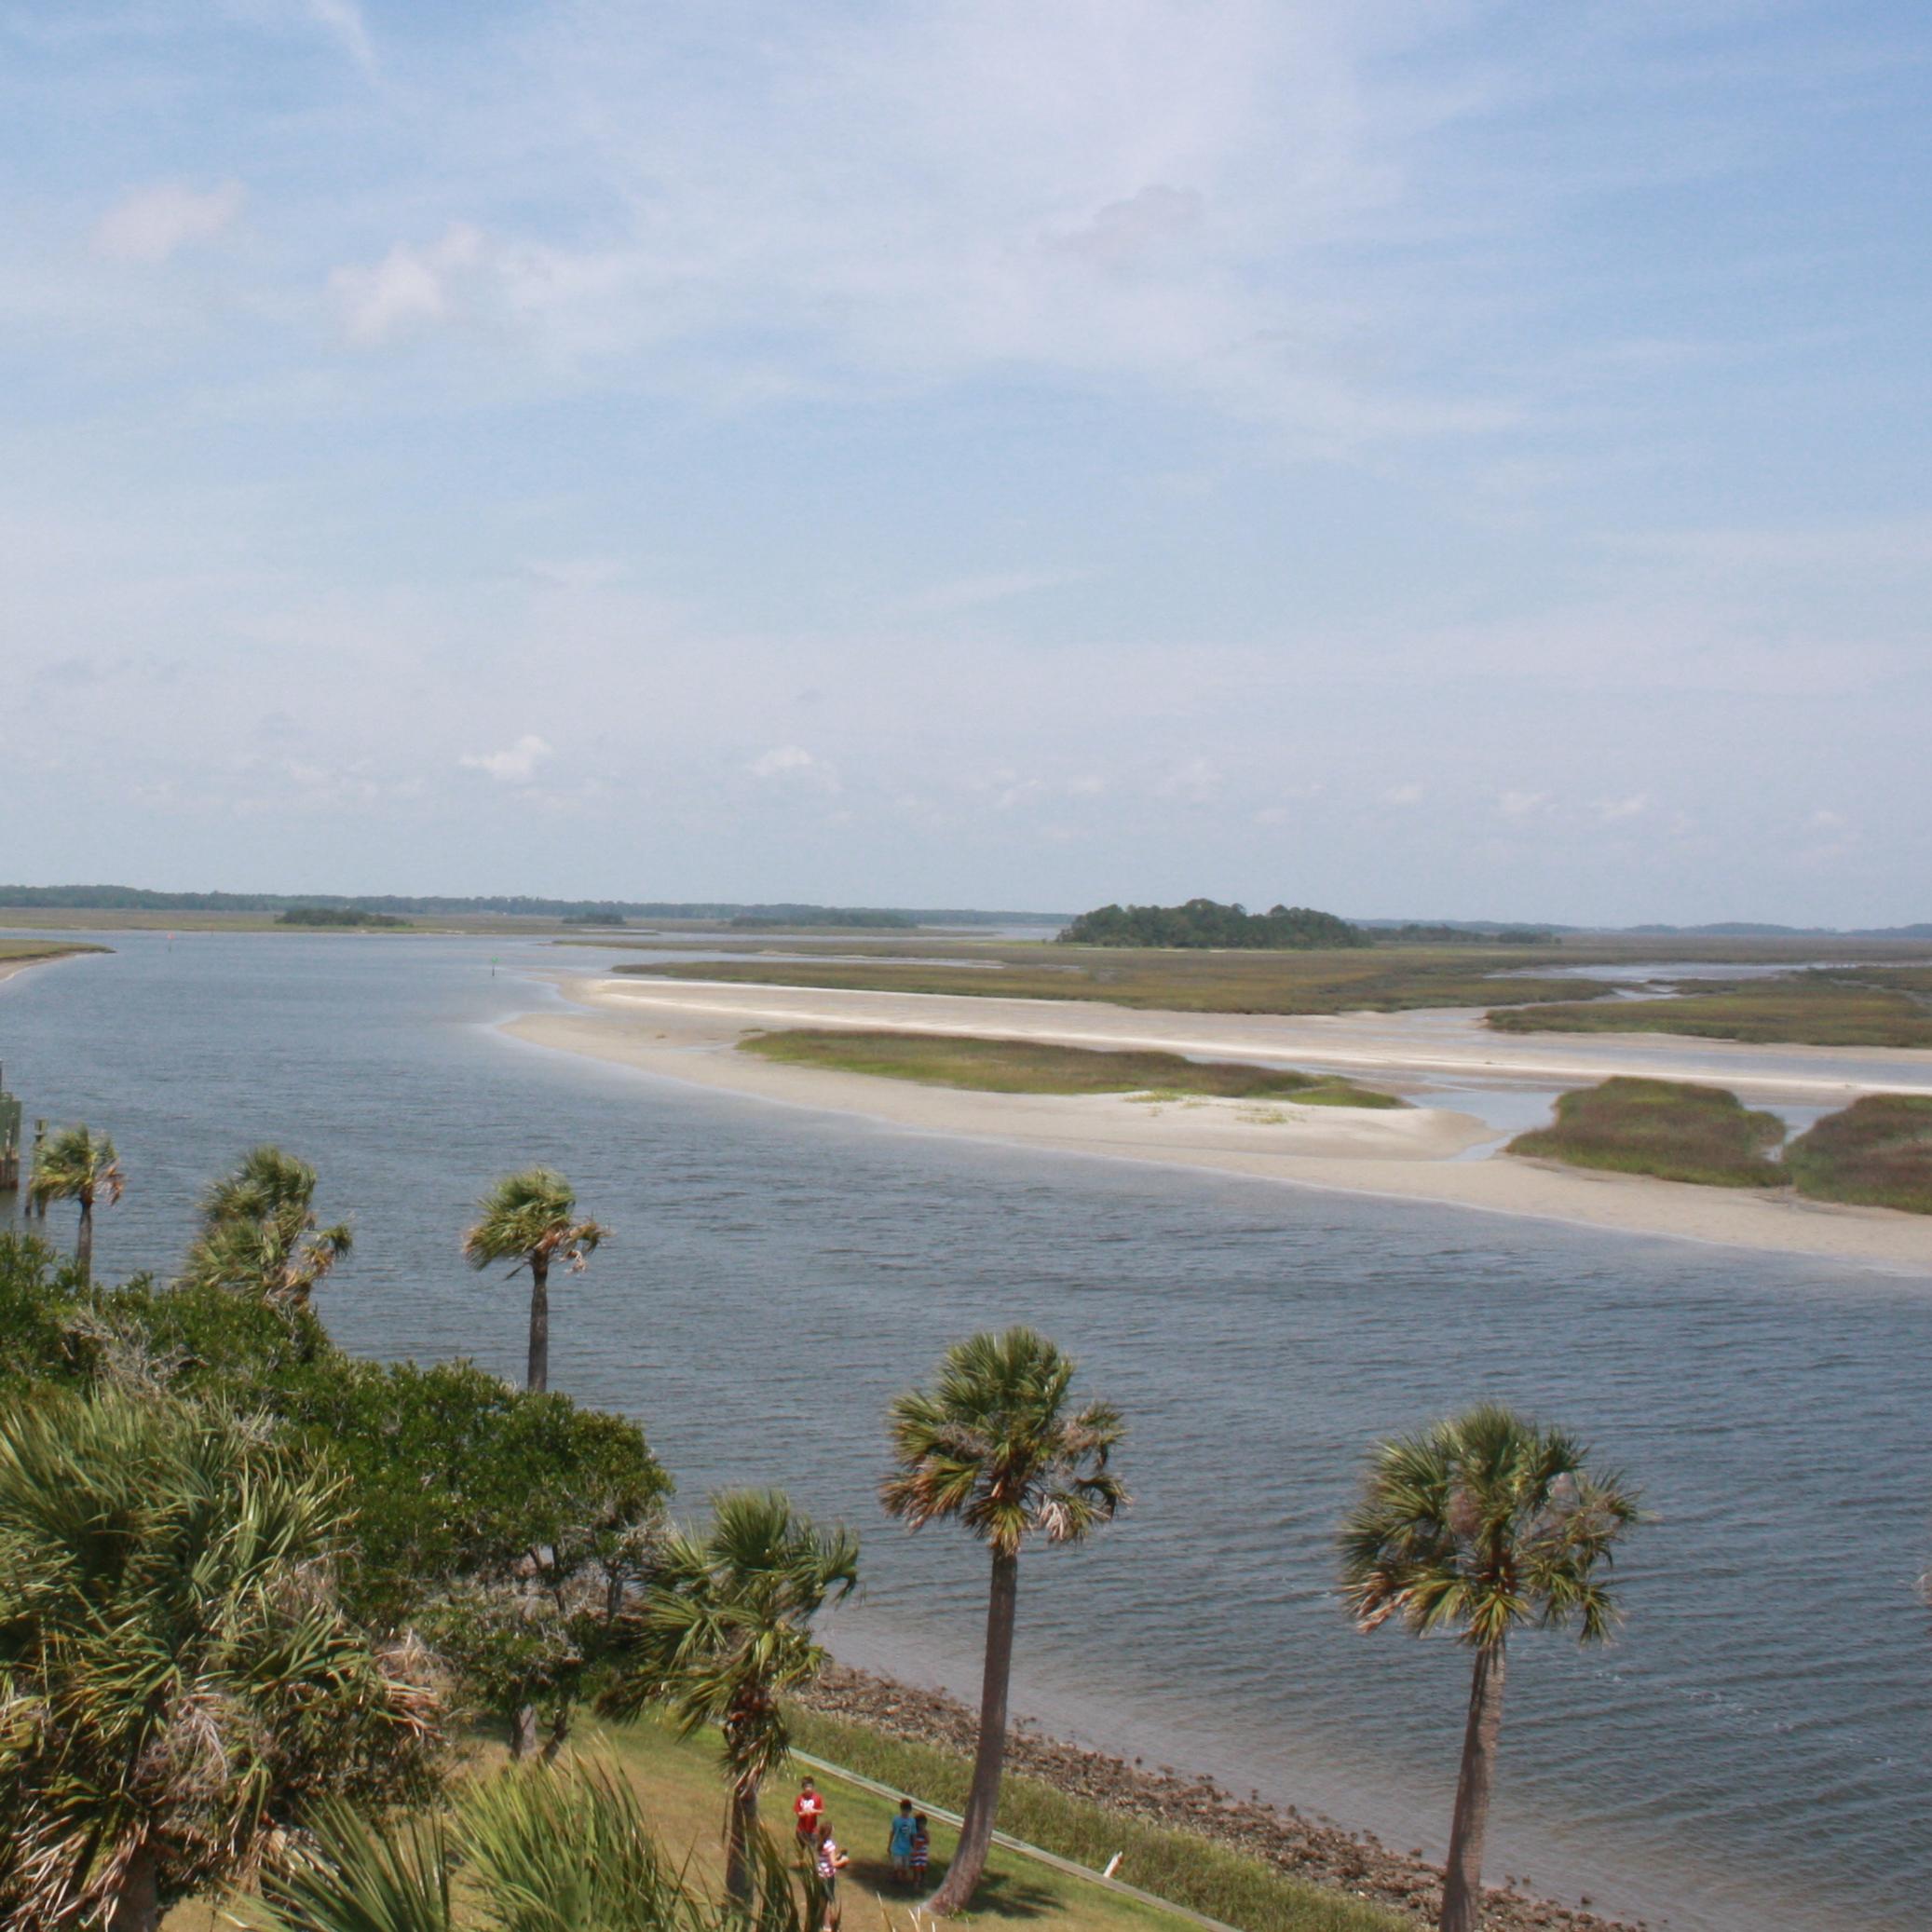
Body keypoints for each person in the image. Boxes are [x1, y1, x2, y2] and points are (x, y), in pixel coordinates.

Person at [813, 1819, 850, 1931]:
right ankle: (827, 1925)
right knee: (827, 1900)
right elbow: (834, 1863)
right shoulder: (829, 1845)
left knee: (821, 1899)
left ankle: (820, 1921)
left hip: (819, 1873)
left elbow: (827, 1857)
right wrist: (844, 1860)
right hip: (827, 1876)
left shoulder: (820, 1842)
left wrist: (838, 1855)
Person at [888, 1797, 918, 1883]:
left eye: (907, 1811)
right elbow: (892, 1832)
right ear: (901, 1809)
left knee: (905, 1866)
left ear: (910, 1810)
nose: (905, 1813)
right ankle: (895, 1876)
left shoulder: (912, 1821)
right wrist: (889, 1845)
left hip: (907, 1848)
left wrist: (914, 1847)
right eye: (904, 1810)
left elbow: (913, 1834)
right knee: (898, 1864)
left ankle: (900, 1879)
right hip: (897, 1846)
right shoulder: (896, 1819)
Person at [795, 1776, 824, 1847]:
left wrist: (814, 1811)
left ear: (813, 1787)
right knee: (801, 1847)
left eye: (810, 1787)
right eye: (806, 1787)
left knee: (812, 1847)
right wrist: (804, 1812)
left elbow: (821, 1811)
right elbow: (798, 1813)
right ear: (803, 1788)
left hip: (813, 1830)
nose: (808, 1789)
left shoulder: (817, 1798)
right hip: (801, 1829)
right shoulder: (800, 1798)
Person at [910, 1812, 931, 1885]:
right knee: (916, 1867)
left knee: (923, 1867)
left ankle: (923, 1879)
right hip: (916, 1852)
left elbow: (928, 1841)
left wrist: (924, 1834)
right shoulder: (914, 1832)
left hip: (923, 1853)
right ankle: (916, 1881)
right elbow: (913, 1841)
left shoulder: (926, 1832)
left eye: (923, 1824)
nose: (921, 1825)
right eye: (920, 1823)